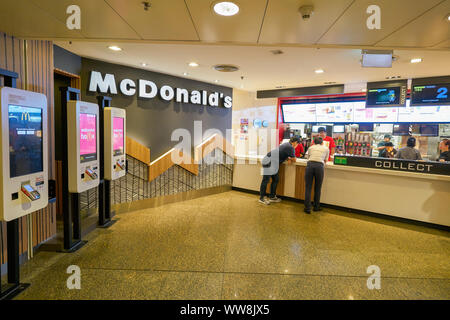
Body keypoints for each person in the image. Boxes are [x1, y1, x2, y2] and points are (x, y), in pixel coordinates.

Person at [259, 136, 299, 205]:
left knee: (276, 179)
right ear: (295, 142)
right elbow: (294, 159)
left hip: (272, 162)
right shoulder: (290, 147)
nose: (297, 145)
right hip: (269, 162)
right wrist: (290, 158)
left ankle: (272, 196)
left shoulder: (286, 144)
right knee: (266, 180)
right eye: (297, 143)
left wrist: (288, 158)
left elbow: (283, 154)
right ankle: (261, 198)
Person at [304, 136, 329, 214]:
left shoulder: (311, 147)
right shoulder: (326, 148)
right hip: (319, 166)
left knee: (308, 187)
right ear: (322, 143)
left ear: (314, 142)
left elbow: (307, 157)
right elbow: (325, 160)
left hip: (310, 165)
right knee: (318, 187)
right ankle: (316, 207)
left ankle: (307, 208)